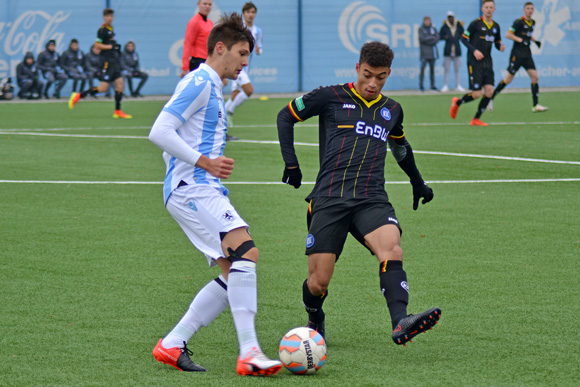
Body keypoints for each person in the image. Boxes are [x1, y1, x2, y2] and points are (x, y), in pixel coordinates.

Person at [277, 41, 441, 346]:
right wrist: (292, 163)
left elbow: (400, 148)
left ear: (388, 74)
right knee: (318, 282)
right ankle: (315, 317)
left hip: (371, 198)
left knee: (392, 249)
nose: (372, 83)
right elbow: (285, 116)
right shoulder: (330, 96)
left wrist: (417, 182)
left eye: (380, 77)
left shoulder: (391, 109)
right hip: (329, 197)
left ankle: (400, 321)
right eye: (367, 74)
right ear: (357, 68)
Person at [148, 13, 282, 376]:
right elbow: (159, 131)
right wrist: (204, 162)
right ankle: (250, 351)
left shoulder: (211, 84)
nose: (244, 62)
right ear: (219, 48)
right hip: (193, 188)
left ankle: (172, 344)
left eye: (248, 56)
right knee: (245, 252)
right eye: (241, 53)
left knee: (233, 272)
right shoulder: (201, 81)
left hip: (197, 187)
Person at [449, 0, 505, 126]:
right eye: (487, 7)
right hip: (474, 63)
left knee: (489, 92)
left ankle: (476, 119)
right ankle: (457, 102)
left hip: (488, 63)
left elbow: (496, 43)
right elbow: (463, 38)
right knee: (477, 94)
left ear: (494, 9)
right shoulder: (475, 24)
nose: (489, 9)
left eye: (491, 7)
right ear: (482, 9)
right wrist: (474, 51)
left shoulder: (496, 26)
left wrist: (500, 47)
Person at [68, 8, 132, 118]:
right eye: (107, 16)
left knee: (120, 85)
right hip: (107, 62)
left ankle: (117, 111)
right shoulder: (102, 30)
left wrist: (115, 48)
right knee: (103, 88)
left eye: (111, 16)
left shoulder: (110, 29)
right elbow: (97, 45)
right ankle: (78, 95)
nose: (109, 18)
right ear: (104, 17)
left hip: (114, 62)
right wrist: (111, 46)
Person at [488, 2, 548, 113]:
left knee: (535, 77)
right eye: (528, 8)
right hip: (517, 54)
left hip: (527, 54)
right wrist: (520, 40)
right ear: (524, 10)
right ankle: (490, 98)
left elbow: (528, 35)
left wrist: (535, 41)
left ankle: (535, 105)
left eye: (531, 8)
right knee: (508, 79)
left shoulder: (533, 22)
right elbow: (508, 34)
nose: (530, 10)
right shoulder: (519, 22)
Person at [224, 2, 263, 129]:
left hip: (245, 67)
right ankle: (228, 112)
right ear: (244, 13)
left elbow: (259, 47)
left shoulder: (258, 31)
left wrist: (258, 50)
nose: (250, 15)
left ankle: (222, 119)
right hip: (237, 66)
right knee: (249, 90)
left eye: (253, 12)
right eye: (248, 12)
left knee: (235, 94)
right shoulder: (240, 28)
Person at [181, 0, 214, 77]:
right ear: (198, 4)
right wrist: (185, 66)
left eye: (209, 4)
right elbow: (188, 44)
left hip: (207, 60)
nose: (207, 7)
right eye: (205, 4)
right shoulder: (194, 21)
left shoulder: (210, 23)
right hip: (197, 61)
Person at [439, 11, 465, 92]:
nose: (451, 18)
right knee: (447, 69)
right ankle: (445, 85)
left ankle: (458, 85)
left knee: (457, 69)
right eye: (449, 17)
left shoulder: (458, 25)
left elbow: (463, 34)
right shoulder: (445, 26)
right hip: (448, 50)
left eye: (452, 17)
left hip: (456, 50)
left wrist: (459, 37)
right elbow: (440, 36)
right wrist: (445, 37)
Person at [418, 16, 439, 92]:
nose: (427, 22)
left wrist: (430, 39)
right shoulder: (421, 29)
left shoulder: (433, 28)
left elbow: (437, 38)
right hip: (424, 53)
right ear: (424, 21)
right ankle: (421, 85)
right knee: (423, 69)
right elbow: (422, 39)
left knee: (432, 70)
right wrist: (431, 38)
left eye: (428, 21)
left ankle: (432, 85)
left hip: (432, 53)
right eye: (426, 21)